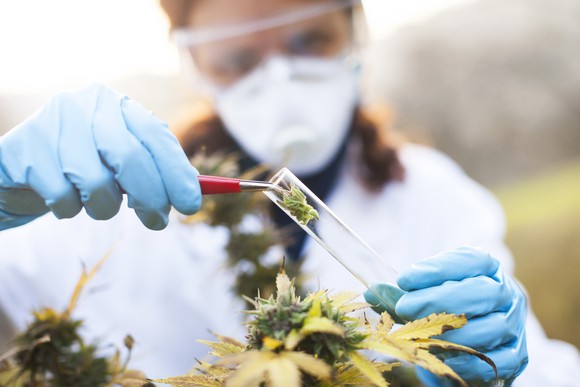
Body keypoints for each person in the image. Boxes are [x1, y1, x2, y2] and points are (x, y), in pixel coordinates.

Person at [0, 0, 577, 385]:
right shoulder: (89, 202)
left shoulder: (433, 195)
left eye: (310, 40)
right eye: (236, 58)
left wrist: (505, 367)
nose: (279, 77)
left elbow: (548, 371)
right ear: (194, 64)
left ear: (353, 35)